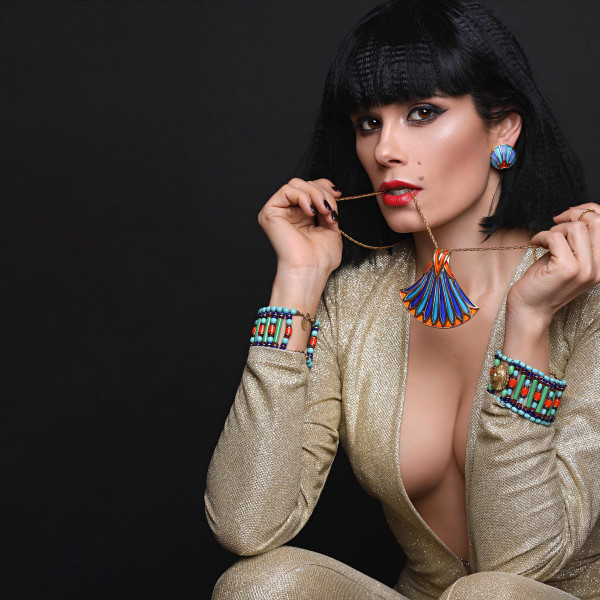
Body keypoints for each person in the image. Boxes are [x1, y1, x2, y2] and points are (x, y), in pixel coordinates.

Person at [205, 0, 600, 597]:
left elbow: (519, 562)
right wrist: (298, 281)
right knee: (258, 585)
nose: (385, 149)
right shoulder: (355, 299)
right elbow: (245, 523)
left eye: (422, 112)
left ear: (503, 127)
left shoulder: (587, 297)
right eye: (369, 122)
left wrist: (529, 321)